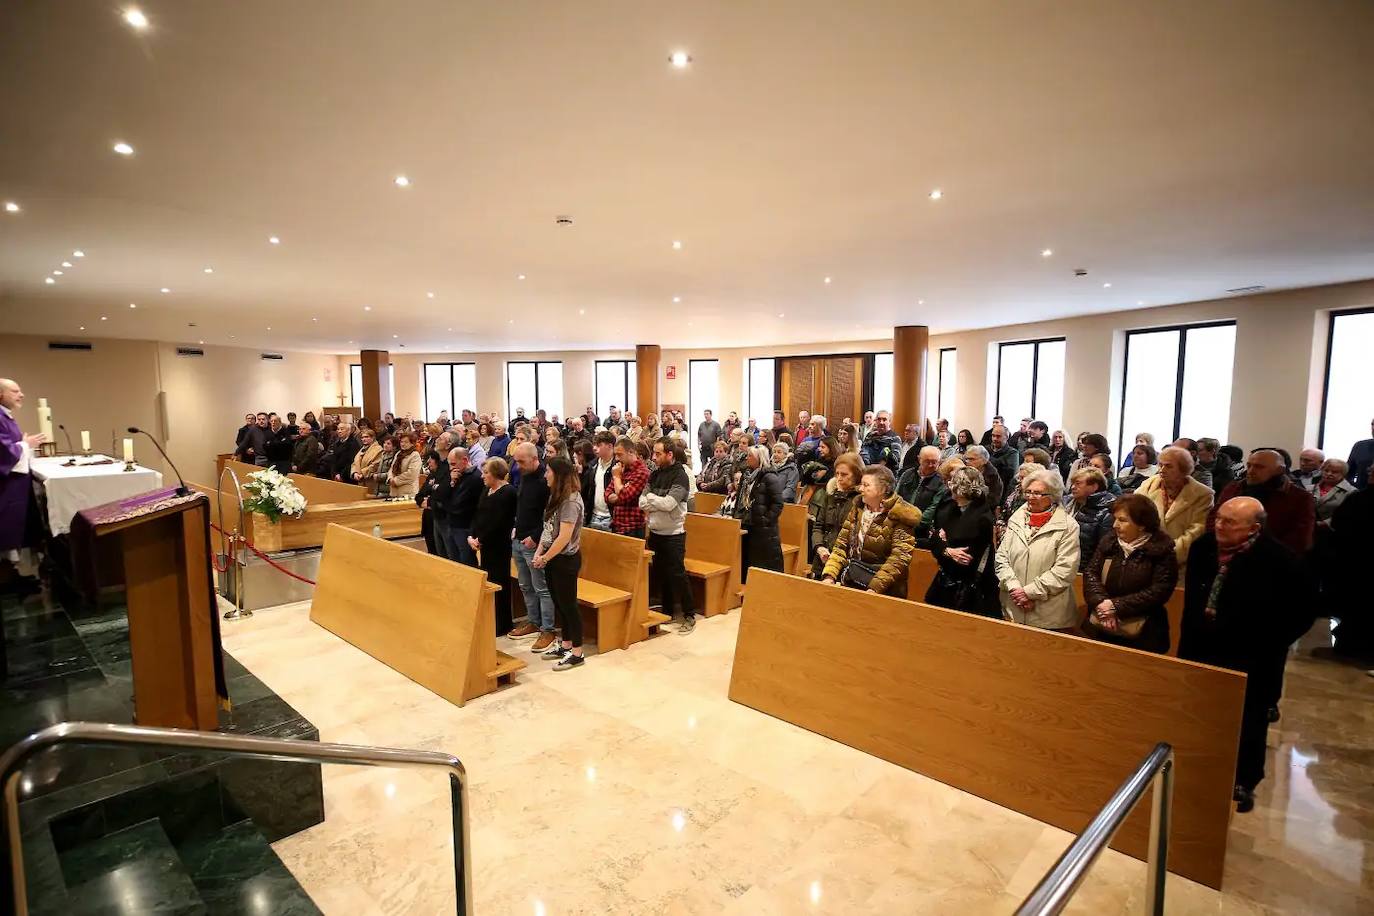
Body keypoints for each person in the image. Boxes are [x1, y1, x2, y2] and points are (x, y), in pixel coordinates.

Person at [1178, 497, 1313, 813]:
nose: (1219, 526)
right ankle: (1200, 766)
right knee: (1201, 713)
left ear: (1255, 528)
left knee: (1249, 720)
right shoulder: (1203, 548)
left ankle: (1244, 780)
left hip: (1252, 655)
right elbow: (1192, 603)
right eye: (1219, 519)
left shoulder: (1281, 561)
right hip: (1202, 647)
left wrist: (1270, 642)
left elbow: (1301, 613)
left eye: (1229, 522)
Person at [1083, 493, 1178, 654]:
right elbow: (1091, 574)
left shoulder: (1161, 550)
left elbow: (1159, 590)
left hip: (1144, 632)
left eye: (1122, 520)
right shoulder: (1109, 543)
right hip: (1101, 624)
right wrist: (1102, 604)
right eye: (1115, 519)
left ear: (1142, 525)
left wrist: (1116, 607)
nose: (1115, 525)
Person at [994, 468, 1081, 631]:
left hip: (1049, 613)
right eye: (1028, 492)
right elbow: (1001, 558)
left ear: (1053, 496)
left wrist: (1029, 593)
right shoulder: (1016, 519)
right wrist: (1014, 588)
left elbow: (1065, 569)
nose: (1031, 497)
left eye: (1039, 493)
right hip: (1013, 607)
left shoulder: (1068, 526)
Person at [820, 464, 918, 596]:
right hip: (854, 580)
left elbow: (899, 558)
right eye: (861, 484)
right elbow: (841, 546)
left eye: (866, 485)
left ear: (883, 489)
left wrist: (874, 588)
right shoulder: (857, 509)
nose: (860, 489)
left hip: (885, 590)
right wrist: (829, 575)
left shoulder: (900, 515)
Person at [531, 457, 587, 670]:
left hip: (566, 559)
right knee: (559, 604)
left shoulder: (571, 501)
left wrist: (545, 557)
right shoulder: (556, 497)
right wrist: (539, 552)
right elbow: (548, 529)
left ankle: (577, 653)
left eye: (548, 471)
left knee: (569, 606)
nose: (545, 475)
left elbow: (564, 536)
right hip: (554, 558)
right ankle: (565, 645)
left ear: (559, 475)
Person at [1210, 449, 1315, 557]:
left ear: (1280, 470)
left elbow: (1300, 539)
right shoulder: (1234, 488)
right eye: (1249, 465)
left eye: (1259, 467)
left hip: (1273, 560)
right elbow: (1213, 518)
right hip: (1224, 551)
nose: (1250, 471)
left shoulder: (1300, 498)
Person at [925, 466, 998, 616]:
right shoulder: (952, 508)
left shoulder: (982, 517)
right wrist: (946, 549)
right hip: (945, 583)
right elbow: (933, 538)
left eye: (952, 482)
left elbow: (964, 558)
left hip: (966, 589)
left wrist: (944, 542)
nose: (949, 486)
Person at [506, 442, 559, 650]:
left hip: (534, 542)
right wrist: (516, 528)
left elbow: (549, 513)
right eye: (516, 461)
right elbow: (522, 506)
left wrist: (535, 537)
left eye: (521, 461)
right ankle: (534, 621)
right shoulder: (525, 476)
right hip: (519, 537)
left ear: (534, 459)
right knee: (525, 585)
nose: (517, 466)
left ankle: (548, 629)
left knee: (541, 588)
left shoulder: (545, 479)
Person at [641, 438, 697, 634]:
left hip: (674, 534)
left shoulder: (680, 476)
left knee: (677, 574)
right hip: (655, 531)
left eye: (658, 454)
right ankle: (667, 611)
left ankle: (689, 614)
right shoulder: (655, 474)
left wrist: (652, 500)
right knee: (660, 574)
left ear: (670, 455)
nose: (654, 457)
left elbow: (670, 504)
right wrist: (654, 500)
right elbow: (642, 501)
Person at [1136, 445, 1214, 571]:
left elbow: (1196, 532)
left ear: (1183, 469)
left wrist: (1166, 556)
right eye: (1160, 465)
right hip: (1145, 558)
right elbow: (1134, 518)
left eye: (1169, 466)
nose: (1162, 469)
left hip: (1180, 563)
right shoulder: (1148, 486)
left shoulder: (1202, 495)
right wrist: (1144, 551)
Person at [808, 453, 863, 577]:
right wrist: (819, 547)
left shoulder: (860, 500)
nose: (839, 478)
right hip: (822, 558)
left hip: (845, 562)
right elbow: (818, 527)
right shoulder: (830, 496)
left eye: (844, 474)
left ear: (856, 475)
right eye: (837, 473)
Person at [737, 444, 785, 577]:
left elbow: (778, 503)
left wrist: (766, 520)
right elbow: (740, 499)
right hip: (747, 525)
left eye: (750, 456)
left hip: (764, 530)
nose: (747, 458)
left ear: (759, 458)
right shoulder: (746, 476)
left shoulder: (769, 477)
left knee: (763, 564)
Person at [1065, 467, 1117, 569]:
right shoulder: (1066, 502)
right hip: (1066, 560)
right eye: (1073, 483)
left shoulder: (1107, 510)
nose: (1072, 487)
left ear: (1094, 486)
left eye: (1078, 483)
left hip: (1086, 567)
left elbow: (1104, 549)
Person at [445, 447, 483, 566]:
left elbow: (458, 504)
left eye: (453, 464)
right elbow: (442, 496)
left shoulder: (476, 477)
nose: (451, 468)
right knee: (454, 563)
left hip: (465, 527)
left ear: (465, 460)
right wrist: (451, 483)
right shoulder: (455, 475)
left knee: (466, 563)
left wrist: (447, 505)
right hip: (452, 524)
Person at [606, 436, 649, 538]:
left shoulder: (642, 472)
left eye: (620, 455)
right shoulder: (621, 469)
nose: (616, 459)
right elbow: (607, 494)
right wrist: (619, 492)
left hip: (633, 528)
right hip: (617, 526)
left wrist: (616, 477)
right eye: (615, 455)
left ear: (630, 452)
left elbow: (623, 496)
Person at [581, 430, 617, 531]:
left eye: (599, 445)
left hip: (611, 517)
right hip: (593, 515)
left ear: (610, 446)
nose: (594, 448)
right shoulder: (592, 465)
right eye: (594, 445)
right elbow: (586, 491)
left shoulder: (619, 466)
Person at [963, 445, 1004, 512]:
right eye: (967, 459)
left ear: (984, 460)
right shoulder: (964, 471)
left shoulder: (993, 477)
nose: (968, 462)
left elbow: (993, 501)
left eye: (972, 459)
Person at [385, 432, 421, 497]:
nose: (403, 444)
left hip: (408, 493)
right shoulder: (398, 453)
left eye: (406, 442)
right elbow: (392, 468)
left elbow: (412, 474)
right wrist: (390, 478)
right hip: (394, 492)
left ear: (412, 443)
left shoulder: (415, 455)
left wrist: (395, 481)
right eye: (401, 442)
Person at [987, 425, 1021, 494]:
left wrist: (988, 462)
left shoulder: (1012, 453)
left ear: (1006, 437)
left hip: (1002, 490)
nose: (994, 439)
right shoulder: (986, 449)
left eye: (998, 436)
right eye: (993, 436)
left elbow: (1010, 473)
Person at [1346, 417, 1374, 489]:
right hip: (1361, 493)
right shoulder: (1360, 446)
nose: (1373, 428)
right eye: (1372, 424)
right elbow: (1348, 473)